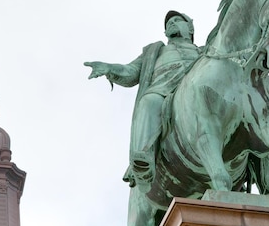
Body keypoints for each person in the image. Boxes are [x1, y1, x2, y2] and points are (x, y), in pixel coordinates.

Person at [84, 11, 200, 190]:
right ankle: (143, 160)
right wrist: (108, 68)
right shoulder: (155, 51)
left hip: (196, 94)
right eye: (168, 23)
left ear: (190, 27)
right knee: (148, 102)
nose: (171, 24)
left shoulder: (204, 51)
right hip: (162, 93)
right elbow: (129, 72)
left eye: (177, 20)